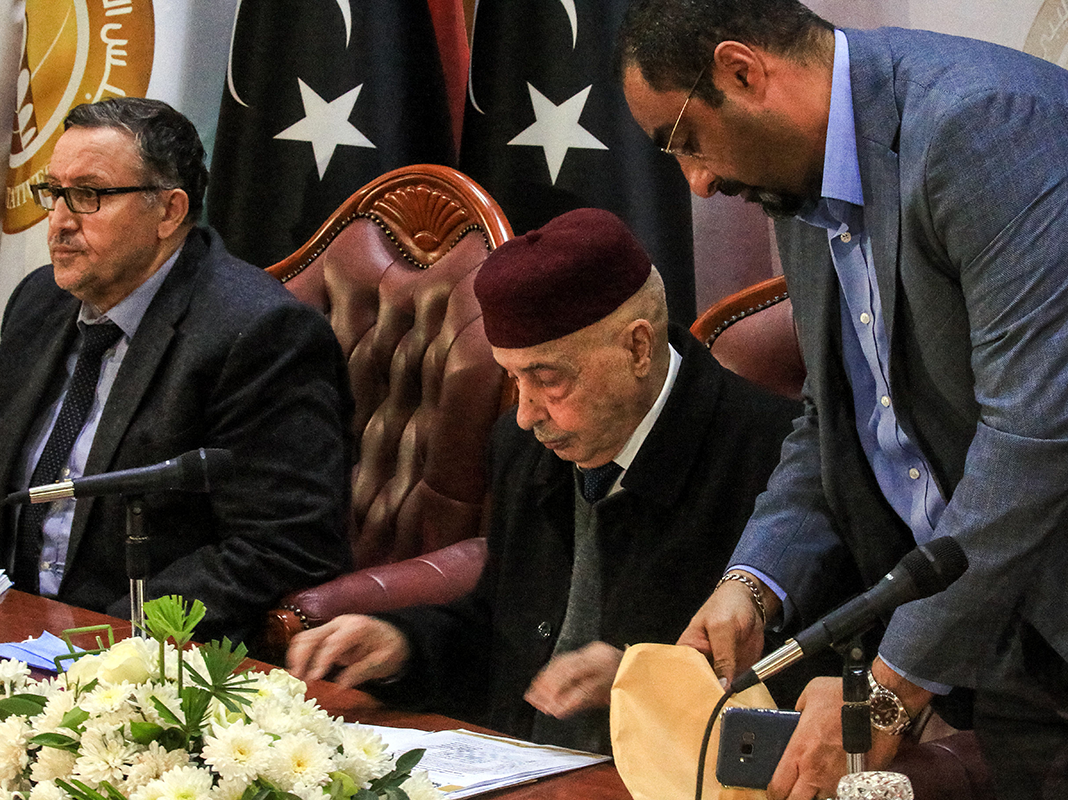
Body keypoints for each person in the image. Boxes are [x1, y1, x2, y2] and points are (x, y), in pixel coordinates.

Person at [617, 2, 1068, 798]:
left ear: (743, 71)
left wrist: (892, 685)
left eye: (685, 138)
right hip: (999, 629)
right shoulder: (801, 182)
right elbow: (840, 418)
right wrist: (754, 581)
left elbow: (1036, 437)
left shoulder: (985, 126)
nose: (699, 180)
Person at [285, 207, 805, 754]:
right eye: (513, 377)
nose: (525, 413)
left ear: (637, 347)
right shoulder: (525, 448)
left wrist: (645, 677)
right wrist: (403, 644)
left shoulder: (777, 462)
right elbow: (502, 632)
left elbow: (812, 686)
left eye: (547, 379)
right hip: (523, 768)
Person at [0, 97, 354, 643]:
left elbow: (282, 544)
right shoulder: (39, 302)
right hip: (13, 626)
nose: (58, 222)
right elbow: (21, 486)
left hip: (143, 657)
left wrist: (107, 637)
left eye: (88, 195)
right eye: (54, 192)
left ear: (169, 212)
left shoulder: (259, 333)